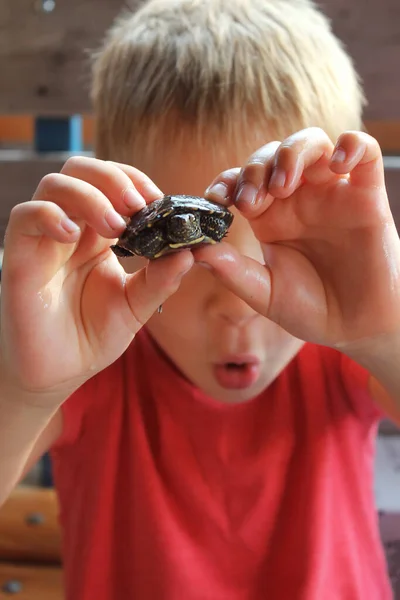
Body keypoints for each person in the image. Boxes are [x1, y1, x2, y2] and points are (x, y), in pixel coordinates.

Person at [1, 0, 399, 597]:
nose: (237, 304)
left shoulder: (343, 351)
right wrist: (23, 392)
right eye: (182, 255)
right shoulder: (89, 365)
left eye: (276, 260)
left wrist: (383, 338)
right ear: (131, 237)